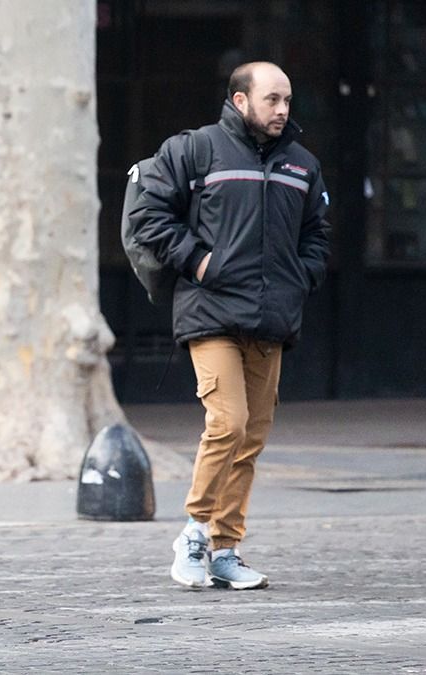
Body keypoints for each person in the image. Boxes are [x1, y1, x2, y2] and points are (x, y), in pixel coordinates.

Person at [129, 62, 331, 590]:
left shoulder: (302, 166)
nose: (283, 110)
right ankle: (194, 532)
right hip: (211, 312)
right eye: (272, 99)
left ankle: (226, 548)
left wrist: (299, 278)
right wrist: (200, 263)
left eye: (288, 100)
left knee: (252, 438)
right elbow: (150, 216)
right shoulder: (194, 151)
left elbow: (318, 235)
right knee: (229, 423)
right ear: (240, 101)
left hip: (271, 317)